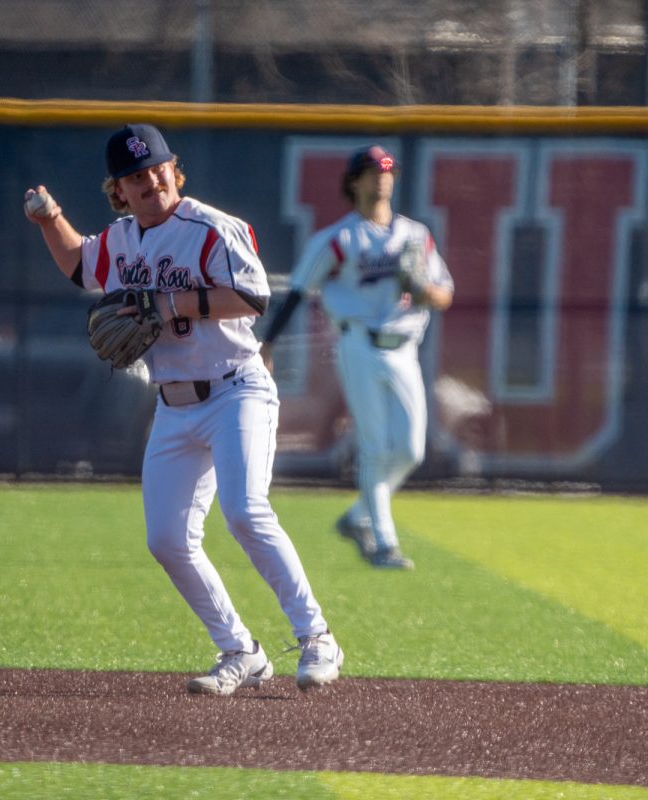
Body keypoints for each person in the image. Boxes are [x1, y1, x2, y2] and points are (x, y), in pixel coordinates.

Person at [23, 123, 343, 695]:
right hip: (173, 405)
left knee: (245, 512)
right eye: (135, 177)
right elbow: (80, 265)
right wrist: (50, 220)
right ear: (118, 190)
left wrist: (162, 302)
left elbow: (250, 296)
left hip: (236, 390)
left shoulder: (210, 228)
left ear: (174, 170)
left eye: (157, 169)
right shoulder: (122, 239)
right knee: (167, 540)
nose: (150, 182)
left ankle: (317, 636)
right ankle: (240, 651)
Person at [261, 145, 454, 570]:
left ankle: (356, 517)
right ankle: (384, 543)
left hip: (405, 348)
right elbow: (298, 290)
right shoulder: (340, 238)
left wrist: (420, 288)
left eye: (388, 168)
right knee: (373, 445)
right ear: (354, 181)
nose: (382, 175)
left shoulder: (415, 235)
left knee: (410, 451)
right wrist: (269, 343)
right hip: (359, 344)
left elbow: (443, 294)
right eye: (372, 169)